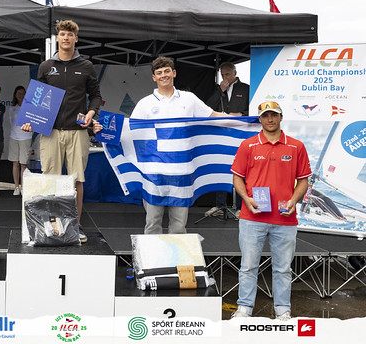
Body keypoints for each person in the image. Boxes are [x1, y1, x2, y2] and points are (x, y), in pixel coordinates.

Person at [21, 20, 102, 243]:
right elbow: (37, 100)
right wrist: (30, 121)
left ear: (76, 38)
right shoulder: (46, 66)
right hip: (50, 132)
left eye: (70, 34)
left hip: (78, 132)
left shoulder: (86, 65)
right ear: (57, 38)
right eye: (63, 34)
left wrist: (91, 112)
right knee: (51, 180)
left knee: (77, 180)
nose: (66, 38)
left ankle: (75, 225)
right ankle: (53, 225)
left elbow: (95, 95)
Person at [230, 101, 311, 321]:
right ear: (259, 119)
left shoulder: (296, 146)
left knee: (283, 269)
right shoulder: (248, 145)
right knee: (248, 266)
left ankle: (283, 310)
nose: (270, 119)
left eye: (274, 115)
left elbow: (303, 180)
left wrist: (294, 200)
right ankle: (244, 308)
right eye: (265, 116)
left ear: (281, 117)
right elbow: (237, 177)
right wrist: (246, 199)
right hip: (252, 217)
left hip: (285, 218)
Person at [129, 56, 227, 234]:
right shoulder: (145, 103)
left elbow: (213, 116)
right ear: (154, 77)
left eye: (167, 71)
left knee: (179, 226)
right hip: (154, 173)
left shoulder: (189, 99)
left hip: (182, 172)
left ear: (174, 73)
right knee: (152, 223)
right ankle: (151, 254)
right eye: (159, 73)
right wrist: (104, 128)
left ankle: (176, 254)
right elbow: (130, 130)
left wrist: (244, 121)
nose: (163, 75)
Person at [206, 62, 250, 215]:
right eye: (223, 75)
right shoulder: (219, 89)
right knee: (221, 167)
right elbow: (208, 107)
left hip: (240, 133)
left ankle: (240, 207)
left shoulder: (246, 88)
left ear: (235, 73)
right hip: (222, 133)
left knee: (240, 170)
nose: (225, 77)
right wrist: (220, 91)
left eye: (228, 74)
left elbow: (254, 107)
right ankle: (220, 206)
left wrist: (242, 114)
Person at [8, 85, 32, 196]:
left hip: (25, 138)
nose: (21, 96)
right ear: (15, 95)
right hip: (14, 137)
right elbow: (10, 122)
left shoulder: (29, 108)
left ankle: (23, 187)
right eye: (19, 94)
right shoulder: (12, 108)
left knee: (23, 164)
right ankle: (16, 187)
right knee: (15, 163)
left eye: (23, 94)